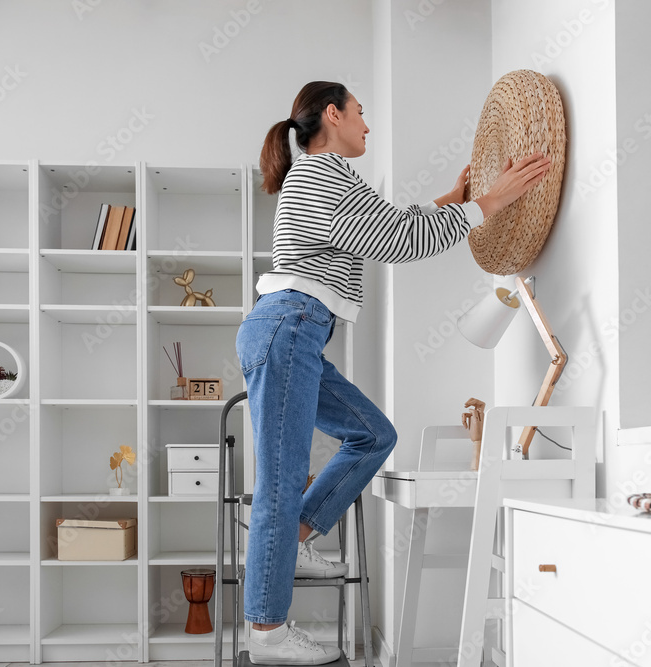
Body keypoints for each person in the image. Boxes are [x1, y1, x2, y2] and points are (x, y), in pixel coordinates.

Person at [235, 80, 550, 665]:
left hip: (298, 331)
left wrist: (448, 207)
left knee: (373, 434)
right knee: (280, 483)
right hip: (290, 328)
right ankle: (268, 630)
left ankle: (298, 535)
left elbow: (388, 227)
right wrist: (490, 202)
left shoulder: (330, 179)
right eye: (360, 113)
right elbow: (399, 240)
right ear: (333, 114)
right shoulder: (320, 175)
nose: (367, 125)